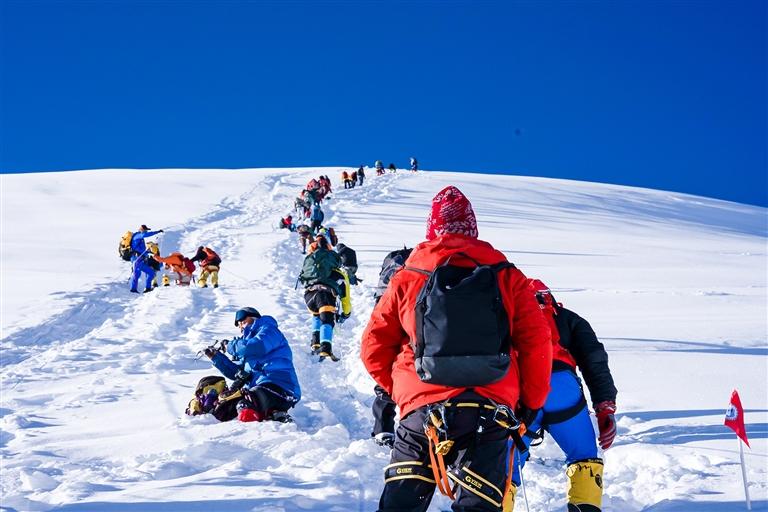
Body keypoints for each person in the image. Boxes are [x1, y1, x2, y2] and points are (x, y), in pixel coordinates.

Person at [360, 185, 552, 511]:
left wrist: (404, 392)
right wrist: (530, 403)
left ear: (431, 229)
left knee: (401, 504)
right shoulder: (507, 275)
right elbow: (537, 343)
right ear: (473, 228)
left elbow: (373, 345)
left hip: (422, 411)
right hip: (489, 409)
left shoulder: (408, 276)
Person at [504, 279, 617, 512]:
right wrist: (605, 406)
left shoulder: (506, 316)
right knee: (584, 457)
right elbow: (595, 362)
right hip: (563, 389)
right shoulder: (568, 318)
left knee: (505, 468)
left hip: (523, 391)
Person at [204, 307, 301, 422]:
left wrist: (230, 346)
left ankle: (263, 419)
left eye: (242, 321)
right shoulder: (246, 347)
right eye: (239, 325)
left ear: (254, 318)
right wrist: (216, 357)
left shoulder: (269, 330)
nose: (241, 326)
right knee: (224, 410)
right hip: (257, 389)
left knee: (247, 402)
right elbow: (237, 373)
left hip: (280, 386)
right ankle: (272, 415)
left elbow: (257, 346)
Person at [299, 234, 351, 361]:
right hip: (326, 296)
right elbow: (345, 297)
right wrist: (346, 313)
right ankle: (326, 349)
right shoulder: (338, 273)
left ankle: (315, 343)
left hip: (309, 296)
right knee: (327, 320)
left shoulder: (312, 269)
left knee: (317, 315)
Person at [128, 225, 163, 293]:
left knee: (151, 272)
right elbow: (145, 235)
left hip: (141, 260)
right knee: (137, 274)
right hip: (137, 259)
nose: (146, 231)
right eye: (145, 230)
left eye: (147, 230)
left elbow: (142, 250)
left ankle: (148, 288)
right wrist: (157, 232)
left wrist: (149, 252)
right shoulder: (137, 236)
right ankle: (133, 289)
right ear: (142, 230)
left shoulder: (140, 239)